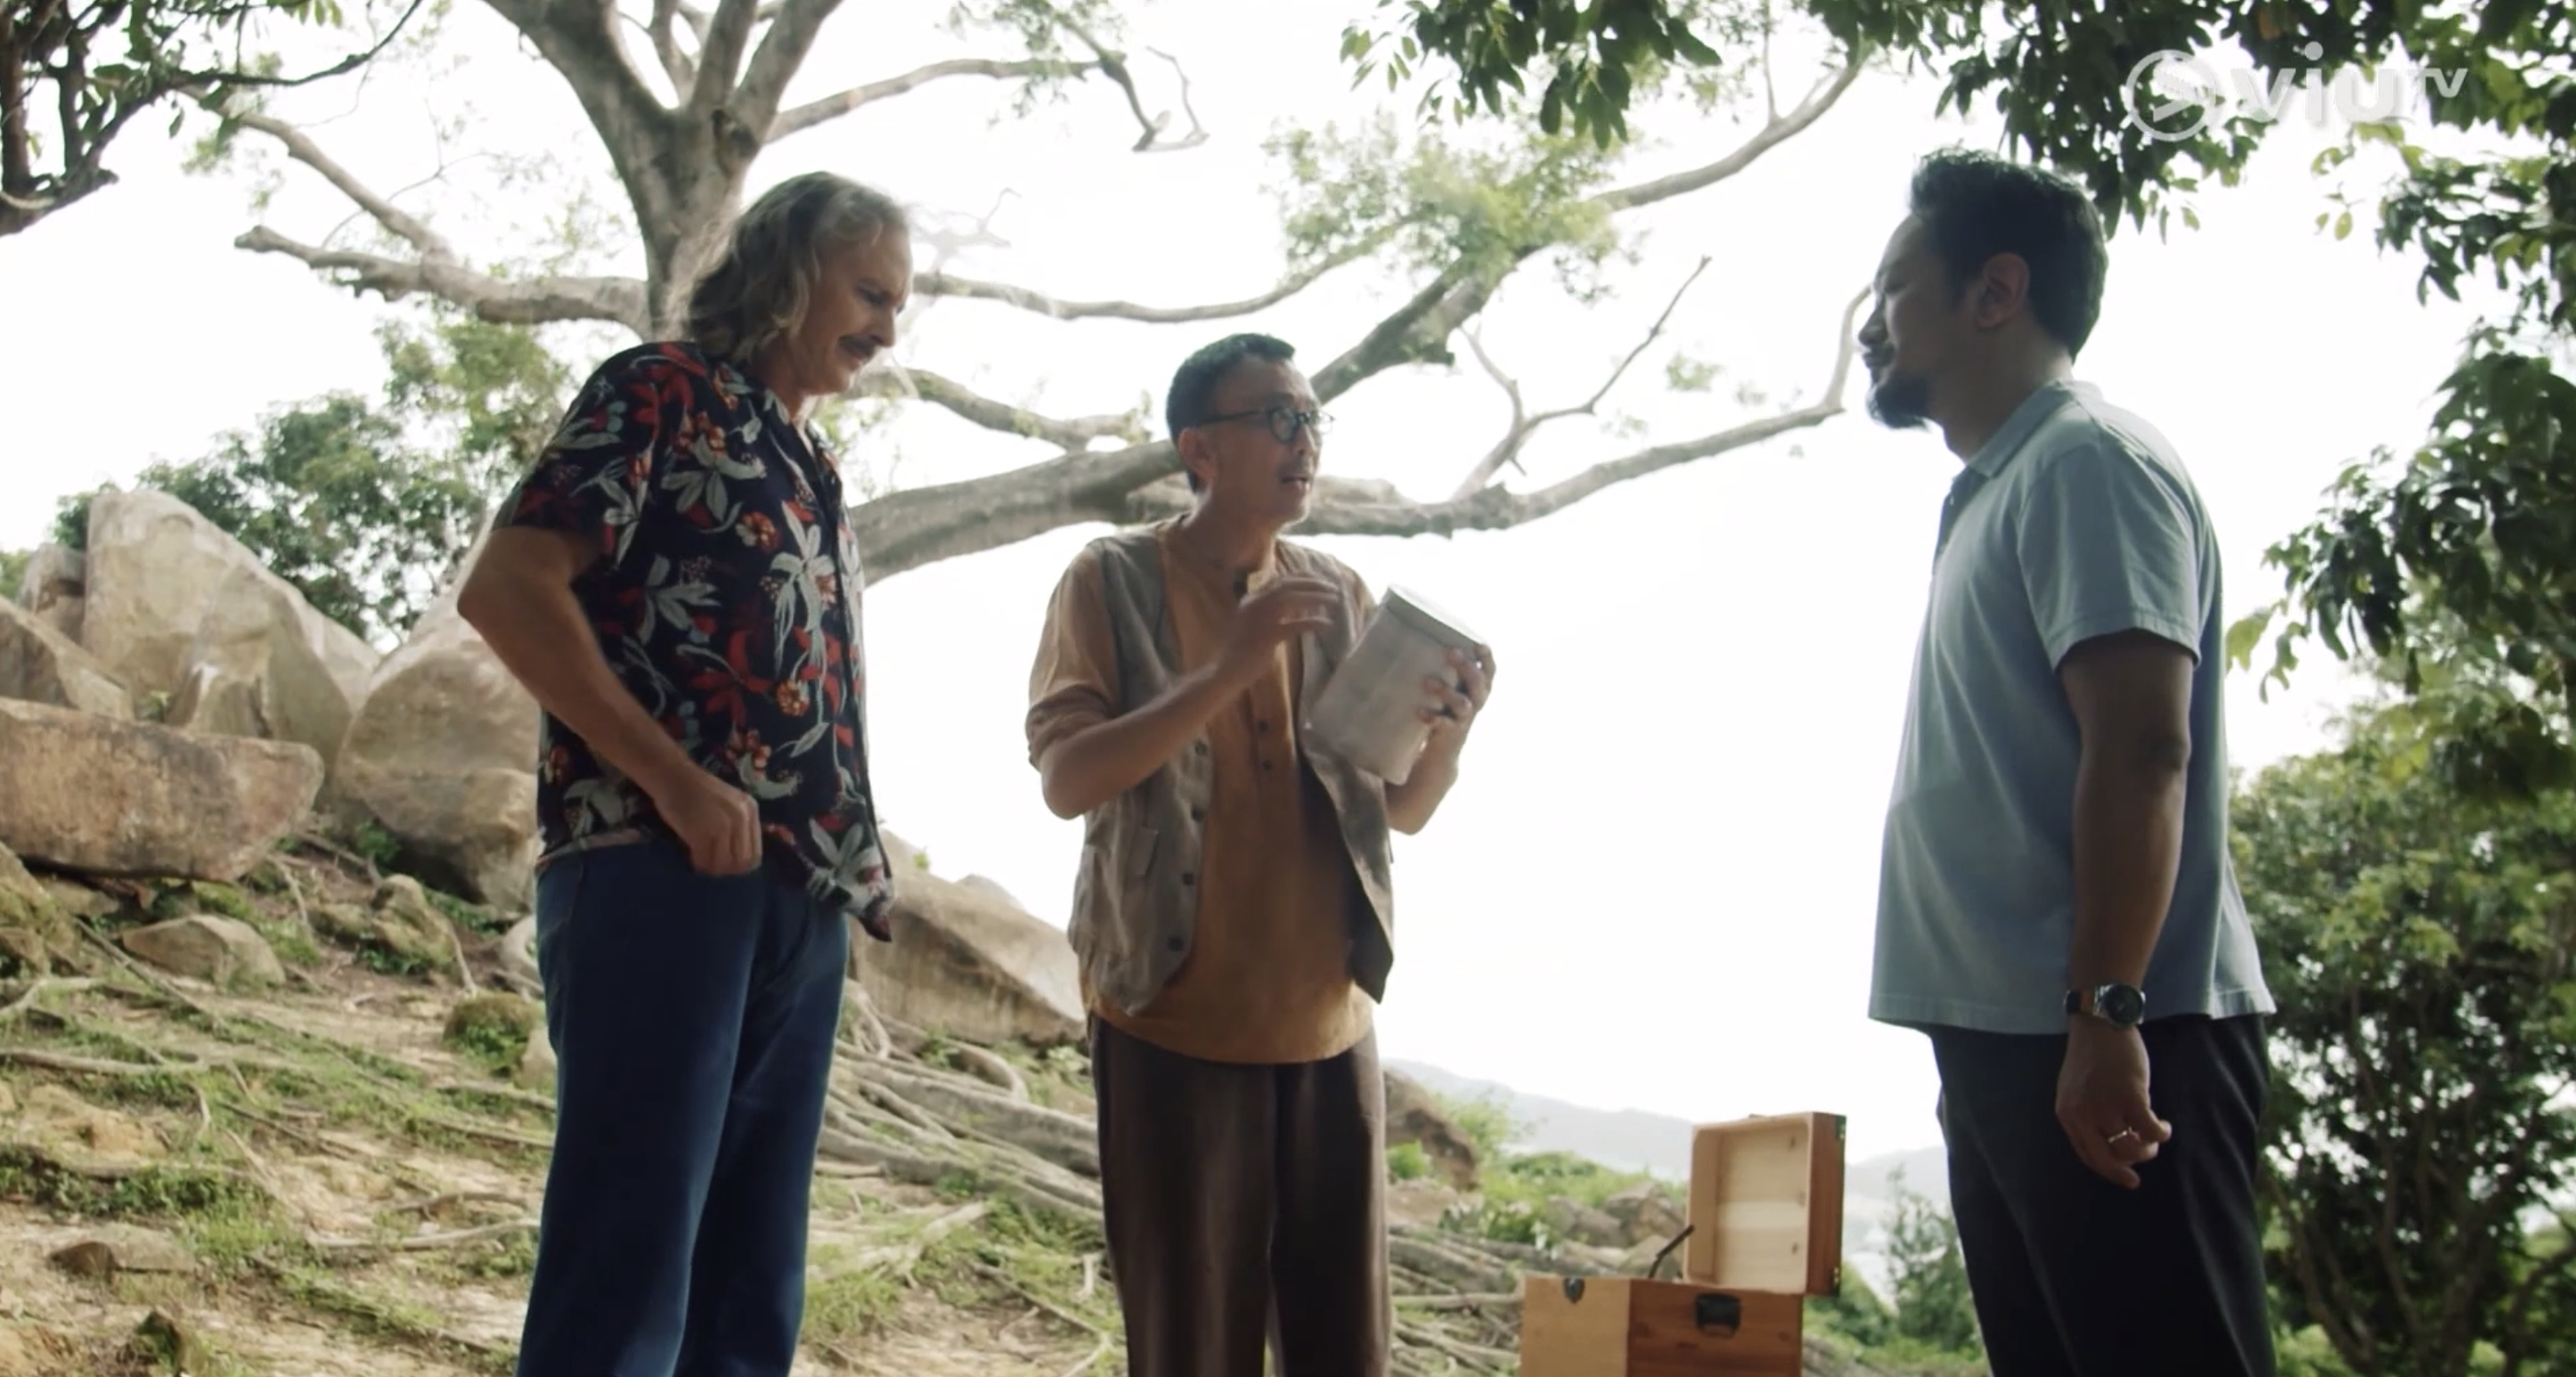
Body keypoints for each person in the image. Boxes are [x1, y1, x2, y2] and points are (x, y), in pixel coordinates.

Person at [457, 170, 913, 1377]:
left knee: (749, 1295)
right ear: (790, 273)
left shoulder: (810, 459)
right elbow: (505, 588)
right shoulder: (658, 389)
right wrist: (672, 780)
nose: (888, 327)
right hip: (656, 873)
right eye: (870, 293)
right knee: (627, 1274)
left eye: (898, 303)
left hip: (799, 900)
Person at [1855, 146, 2279, 1377]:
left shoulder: (2088, 461)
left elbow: (2144, 746)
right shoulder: (1996, 487)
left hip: (2111, 1034)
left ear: (1996, 291)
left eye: (1894, 289)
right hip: (2010, 1036)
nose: (1872, 326)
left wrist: (2106, 1010)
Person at [1023, 332, 1494, 1377]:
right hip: (1170, 1022)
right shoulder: (1109, 580)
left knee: (1345, 1352)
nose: (1305, 439)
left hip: (1330, 1028)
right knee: (1191, 1349)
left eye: (1313, 418)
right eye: (1278, 418)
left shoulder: (1338, 592)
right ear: (1200, 448)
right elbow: (1067, 779)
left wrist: (1450, 735)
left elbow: (1399, 809)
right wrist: (1226, 669)